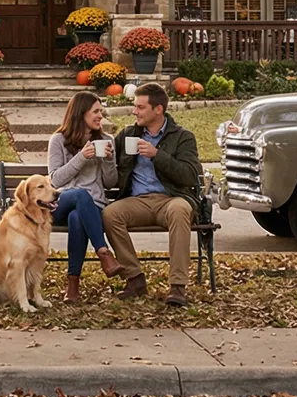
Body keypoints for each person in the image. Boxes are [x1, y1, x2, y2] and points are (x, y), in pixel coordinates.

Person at [103, 81, 203, 307]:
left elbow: (189, 175)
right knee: (110, 214)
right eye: (135, 106)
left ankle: (178, 286)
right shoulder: (128, 134)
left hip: (170, 200)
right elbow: (113, 172)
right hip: (137, 201)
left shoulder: (182, 137)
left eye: (140, 107)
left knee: (180, 211)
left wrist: (157, 155)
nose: (134, 111)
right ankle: (135, 278)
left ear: (158, 109)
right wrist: (108, 157)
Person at [44, 91, 124, 302]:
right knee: (79, 194)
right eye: (96, 111)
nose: (101, 116)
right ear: (81, 114)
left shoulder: (106, 140)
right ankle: (104, 253)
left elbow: (110, 183)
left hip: (93, 207)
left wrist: (108, 160)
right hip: (61, 202)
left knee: (77, 218)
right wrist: (81, 158)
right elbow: (55, 180)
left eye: (101, 111)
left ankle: (73, 286)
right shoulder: (58, 140)